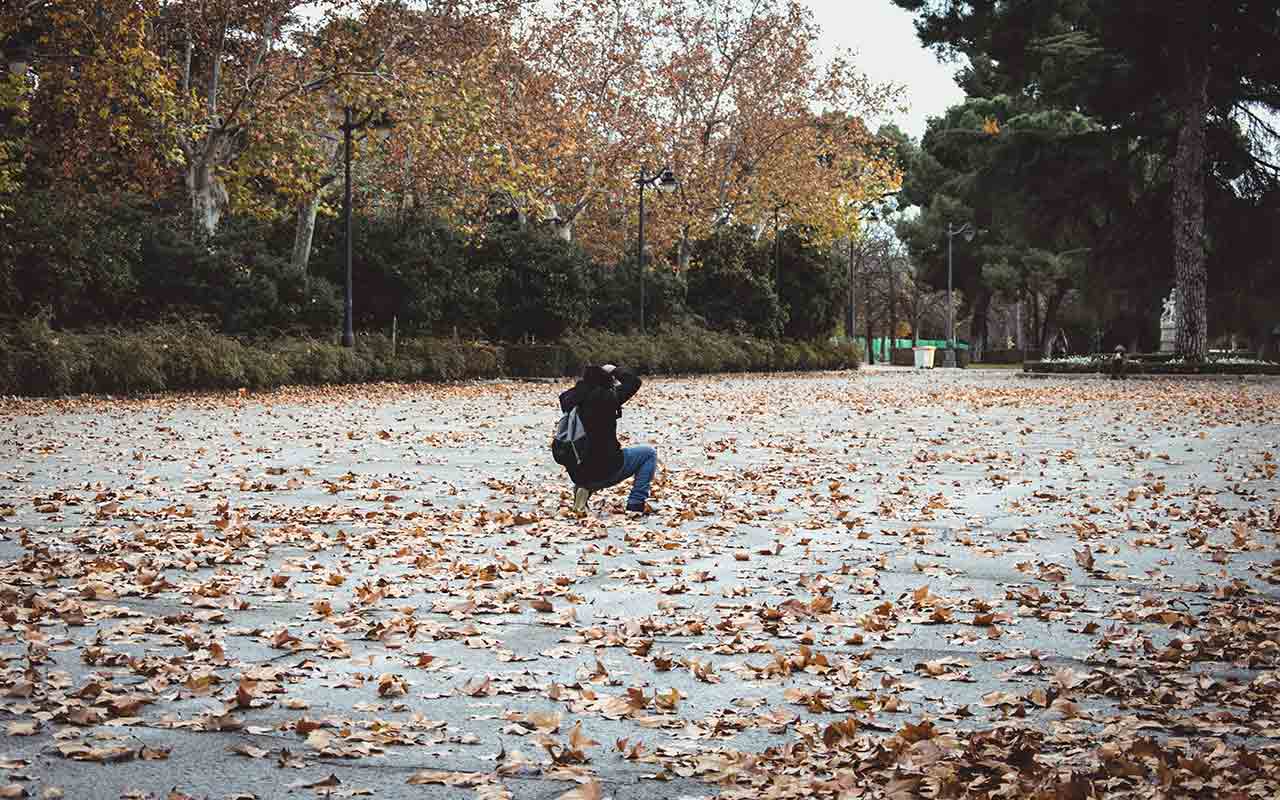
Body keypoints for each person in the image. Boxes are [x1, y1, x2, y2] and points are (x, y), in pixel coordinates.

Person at [558, 363, 656, 514]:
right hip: (607, 469)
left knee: (588, 459)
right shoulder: (608, 397)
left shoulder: (571, 399)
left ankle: (584, 488)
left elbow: (579, 390)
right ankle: (636, 503)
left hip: (577, 472)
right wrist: (615, 370)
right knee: (648, 454)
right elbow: (634, 382)